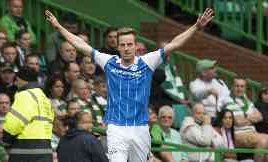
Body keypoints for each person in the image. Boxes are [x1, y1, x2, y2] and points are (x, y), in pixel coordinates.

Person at [45, 8, 214, 162]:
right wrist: (59, 27)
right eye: (123, 45)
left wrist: (196, 27)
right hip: (116, 128)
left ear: (135, 46)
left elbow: (174, 44)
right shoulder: (109, 61)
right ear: (118, 47)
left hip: (140, 128)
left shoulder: (147, 61)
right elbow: (82, 45)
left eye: (130, 44)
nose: (126, 48)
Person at [2, 66, 54, 162]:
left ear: (19, 80)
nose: (15, 84)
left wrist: (5, 140)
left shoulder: (25, 95)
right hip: (46, 151)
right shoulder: (45, 98)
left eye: (16, 81)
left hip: (25, 152)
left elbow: (14, 123)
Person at [189, 59, 231, 124]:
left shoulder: (219, 82)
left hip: (223, 116)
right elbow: (198, 94)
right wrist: (208, 91)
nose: (215, 70)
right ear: (204, 73)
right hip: (206, 118)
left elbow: (227, 97)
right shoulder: (194, 84)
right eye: (212, 68)